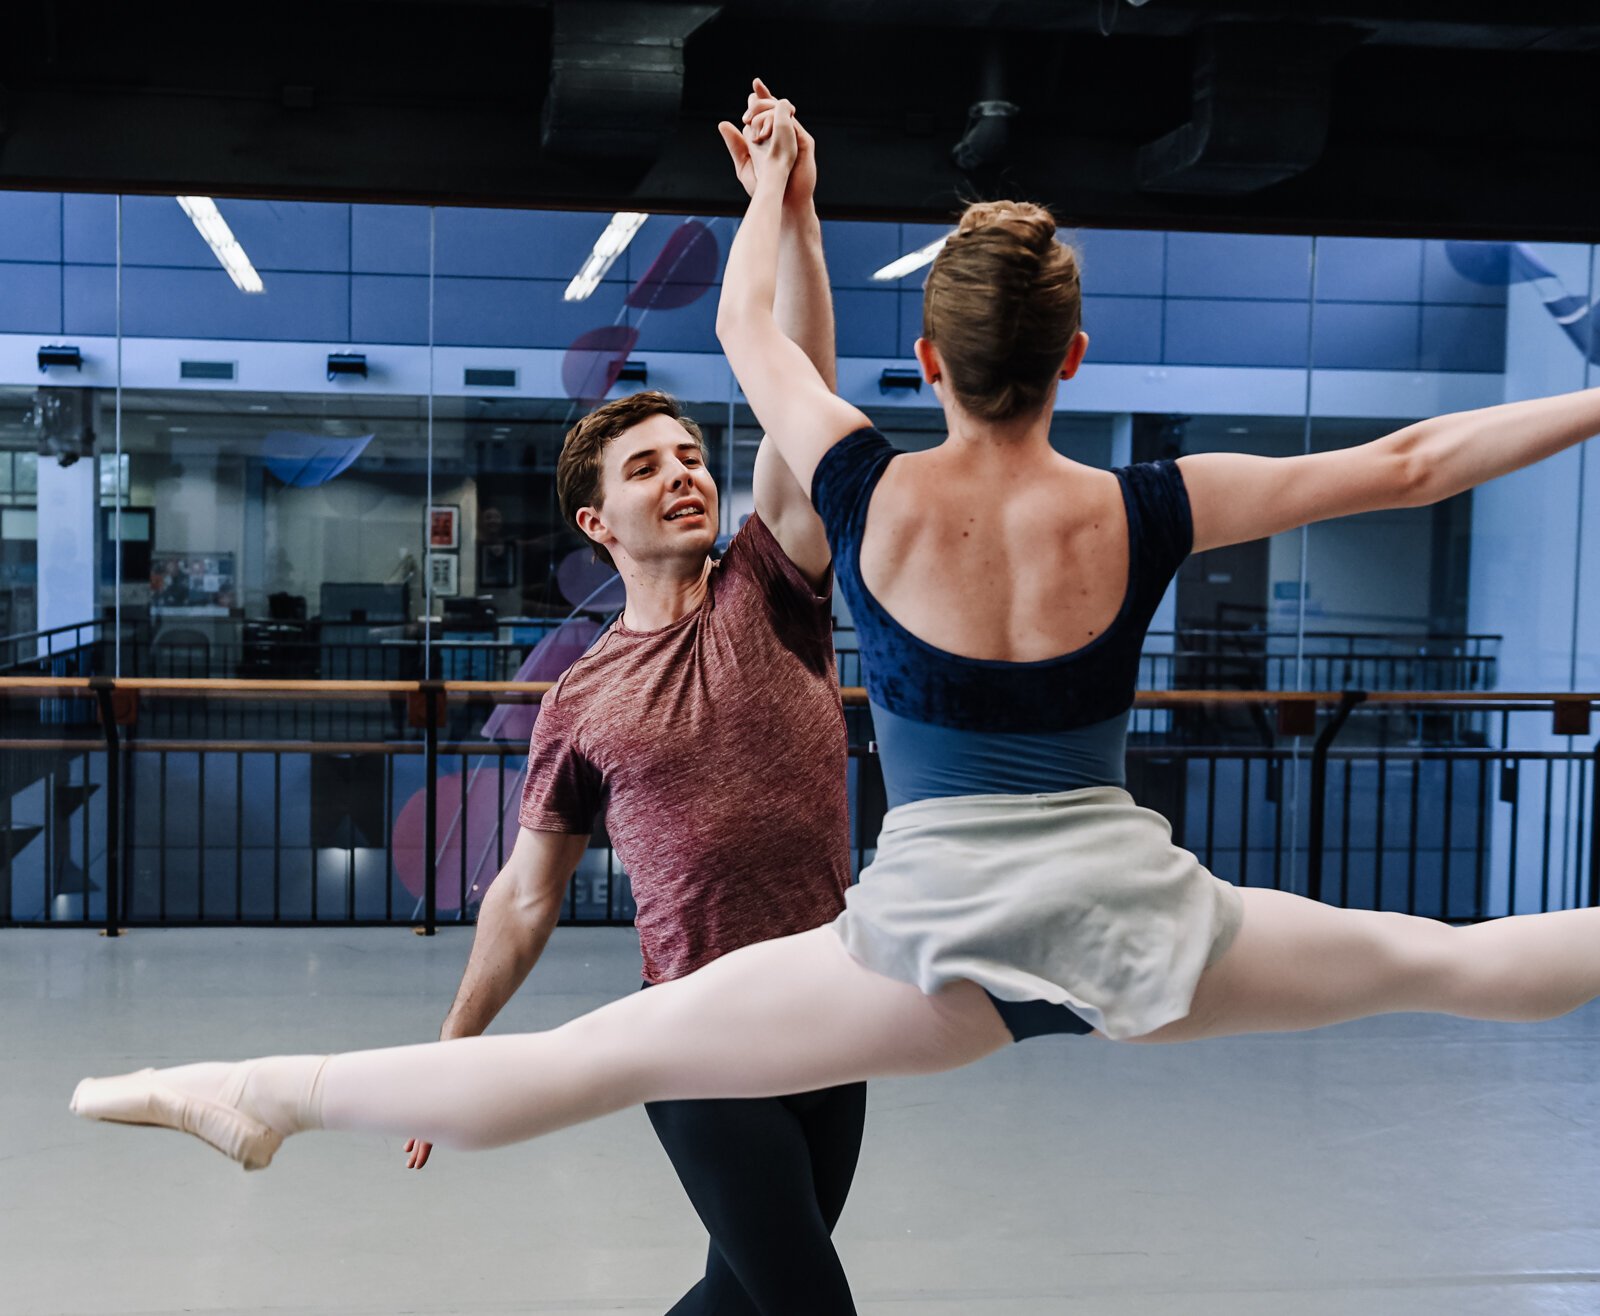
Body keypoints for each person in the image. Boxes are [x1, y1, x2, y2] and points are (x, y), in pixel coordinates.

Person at [70, 89, 1600, 1228]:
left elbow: (756, 339)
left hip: (921, 944)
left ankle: (269, 1094)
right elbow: (1416, 462)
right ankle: (268, 1097)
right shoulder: (1158, 504)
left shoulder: (868, 485)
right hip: (1141, 920)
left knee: (591, 1060)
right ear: (1075, 360)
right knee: (1454, 965)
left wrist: (774, 195)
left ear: (928, 362)